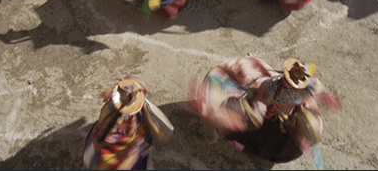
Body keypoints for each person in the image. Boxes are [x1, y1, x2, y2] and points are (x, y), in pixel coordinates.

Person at [188, 56, 341, 165]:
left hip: (283, 120)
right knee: (249, 117)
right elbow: (253, 115)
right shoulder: (269, 89)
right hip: (262, 103)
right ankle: (219, 112)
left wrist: (327, 98)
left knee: (307, 128)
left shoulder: (308, 87)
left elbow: (318, 90)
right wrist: (215, 112)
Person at [83, 75, 173, 170]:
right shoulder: (134, 120)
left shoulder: (109, 107)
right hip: (122, 159)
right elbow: (161, 134)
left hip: (103, 155)